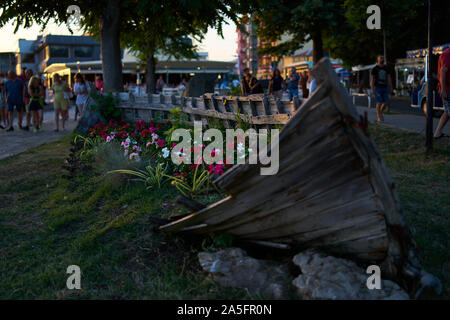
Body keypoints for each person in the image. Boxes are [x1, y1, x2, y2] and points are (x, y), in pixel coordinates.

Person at [434, 48, 450, 139]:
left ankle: (437, 132)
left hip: (447, 87)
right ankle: (437, 132)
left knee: (447, 112)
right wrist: (443, 90)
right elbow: (443, 71)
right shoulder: (447, 54)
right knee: (448, 111)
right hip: (447, 88)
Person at [371, 55, 392, 122]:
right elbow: (372, 79)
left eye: (382, 58)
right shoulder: (375, 69)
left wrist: (390, 87)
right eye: (380, 58)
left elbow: (389, 78)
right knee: (379, 102)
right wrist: (372, 88)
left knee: (386, 102)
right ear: (378, 60)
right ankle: (379, 116)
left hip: (385, 87)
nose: (382, 59)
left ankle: (380, 111)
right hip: (377, 87)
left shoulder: (386, 68)